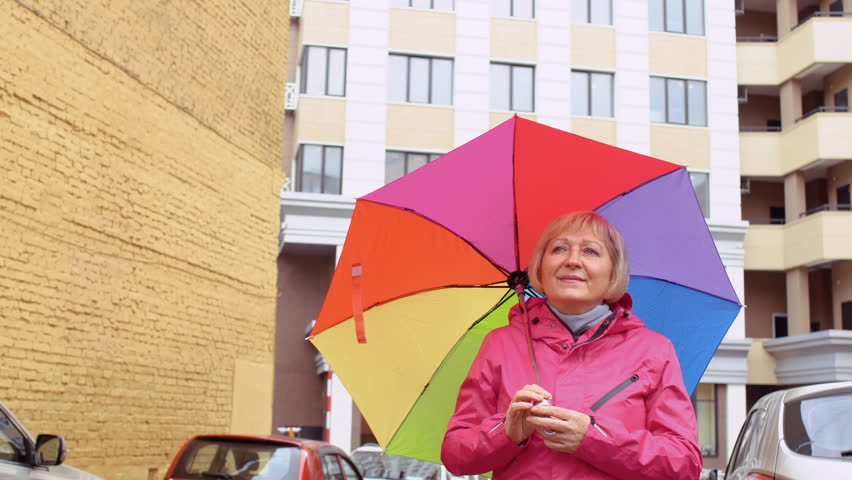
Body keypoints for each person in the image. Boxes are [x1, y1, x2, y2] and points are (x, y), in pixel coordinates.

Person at [440, 211, 702, 480]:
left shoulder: (653, 350)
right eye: (559, 248)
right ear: (541, 266)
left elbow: (684, 463)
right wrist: (506, 432)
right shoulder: (501, 344)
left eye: (590, 251)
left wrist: (594, 439)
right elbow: (455, 454)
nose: (572, 260)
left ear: (614, 271)